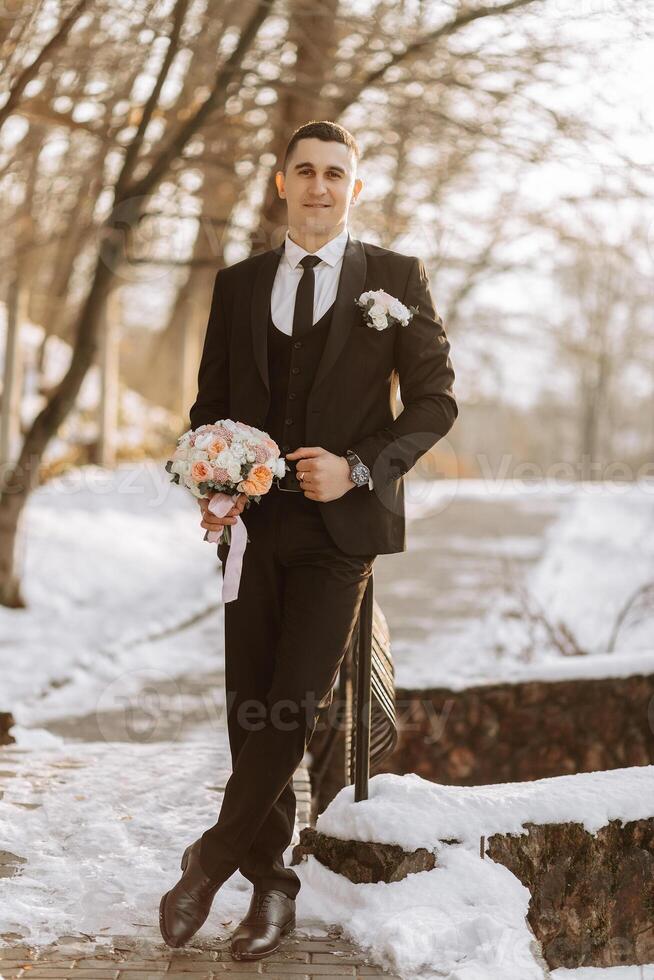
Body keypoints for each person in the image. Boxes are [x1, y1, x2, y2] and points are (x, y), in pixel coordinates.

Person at [158, 120, 458, 960]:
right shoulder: (240, 285)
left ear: (354, 189)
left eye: (336, 173)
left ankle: (210, 861)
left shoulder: (394, 280)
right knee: (245, 709)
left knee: (290, 702)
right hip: (251, 532)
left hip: (340, 535)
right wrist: (215, 486)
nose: (320, 186)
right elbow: (207, 408)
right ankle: (270, 884)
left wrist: (361, 466)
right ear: (280, 182)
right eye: (306, 171)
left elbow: (436, 402)